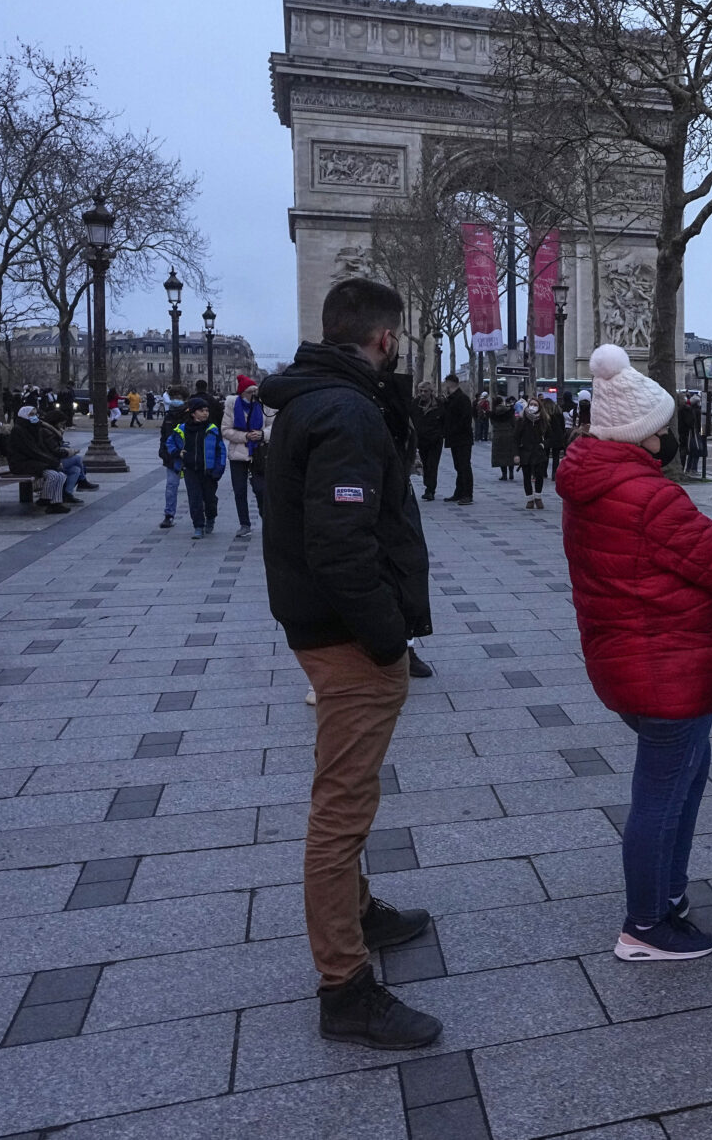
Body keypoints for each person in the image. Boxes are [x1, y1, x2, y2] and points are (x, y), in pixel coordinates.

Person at [260, 277, 440, 1050]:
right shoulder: (346, 411)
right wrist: (387, 636)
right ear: (383, 338)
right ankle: (346, 986)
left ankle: (359, 911)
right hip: (348, 637)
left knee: (347, 792)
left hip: (322, 627)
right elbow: (342, 545)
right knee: (341, 808)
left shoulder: (310, 399)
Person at [558, 343, 712, 960]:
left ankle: (667, 894)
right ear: (644, 435)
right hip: (666, 665)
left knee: (680, 780)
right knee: (663, 797)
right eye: (662, 429)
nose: (669, 437)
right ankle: (646, 924)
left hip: (622, 658)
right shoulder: (652, 497)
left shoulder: (588, 485)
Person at [165, 396, 228, 539]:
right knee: (195, 499)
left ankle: (211, 517)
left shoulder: (212, 429)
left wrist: (219, 468)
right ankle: (198, 526)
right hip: (190, 469)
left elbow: (221, 450)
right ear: (193, 413)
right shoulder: (182, 429)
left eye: (207, 410)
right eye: (201, 410)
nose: (205, 413)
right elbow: (170, 443)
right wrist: (177, 452)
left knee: (210, 500)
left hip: (209, 470)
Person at [222, 376, 270, 535]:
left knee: (261, 489)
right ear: (242, 393)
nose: (254, 394)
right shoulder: (231, 405)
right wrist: (245, 437)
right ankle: (244, 524)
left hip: (259, 452)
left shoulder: (265, 404)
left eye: (256, 391)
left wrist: (262, 434)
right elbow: (225, 430)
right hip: (238, 453)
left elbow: (274, 426)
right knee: (240, 490)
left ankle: (267, 522)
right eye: (250, 392)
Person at [3, 406, 73, 513]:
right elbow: (31, 451)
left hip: (33, 461)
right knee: (53, 476)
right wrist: (52, 463)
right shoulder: (19, 430)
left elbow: (40, 449)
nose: (35, 417)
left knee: (61, 475)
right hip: (22, 463)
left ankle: (54, 502)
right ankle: (48, 501)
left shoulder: (35, 428)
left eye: (36, 414)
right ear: (24, 416)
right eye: (31, 414)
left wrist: (52, 462)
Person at [440, 375, 474, 504]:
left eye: (446, 383)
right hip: (455, 437)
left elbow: (465, 419)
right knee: (458, 466)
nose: (445, 385)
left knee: (464, 466)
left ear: (451, 383)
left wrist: (452, 430)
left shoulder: (462, 399)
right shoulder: (451, 399)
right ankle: (459, 492)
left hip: (462, 438)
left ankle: (467, 494)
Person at [158, 388, 188, 529]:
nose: (176, 400)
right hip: (172, 456)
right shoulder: (168, 416)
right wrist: (164, 453)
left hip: (189, 456)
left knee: (196, 487)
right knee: (171, 486)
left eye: (178, 397)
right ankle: (169, 515)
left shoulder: (190, 415)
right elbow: (164, 437)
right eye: (174, 397)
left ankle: (202, 515)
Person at [517, 395, 552, 509]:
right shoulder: (522, 420)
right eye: (531, 404)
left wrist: (543, 445)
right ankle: (529, 499)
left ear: (539, 407)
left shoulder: (543, 421)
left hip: (538, 452)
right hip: (525, 452)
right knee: (526, 476)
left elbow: (550, 437)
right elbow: (516, 437)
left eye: (535, 405)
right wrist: (516, 454)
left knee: (539, 475)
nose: (532, 407)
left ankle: (538, 497)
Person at [412, 381, 445, 501]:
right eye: (420, 390)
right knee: (425, 465)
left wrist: (440, 434)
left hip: (435, 440)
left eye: (425, 391)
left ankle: (430, 489)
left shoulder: (439, 404)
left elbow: (444, 420)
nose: (422, 393)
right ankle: (428, 486)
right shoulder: (415, 404)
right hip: (421, 440)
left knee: (432, 465)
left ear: (431, 392)